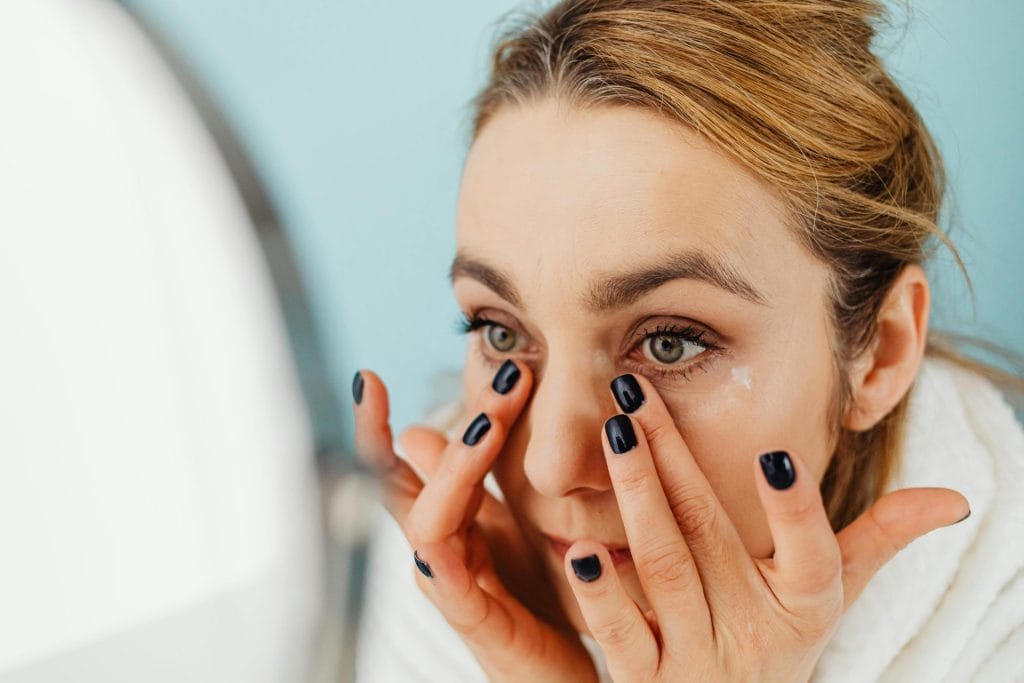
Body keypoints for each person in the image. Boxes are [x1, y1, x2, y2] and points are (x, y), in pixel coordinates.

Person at [352, 1, 1024, 680]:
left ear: (880, 351)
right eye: (500, 332)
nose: (551, 466)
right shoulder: (411, 594)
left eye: (670, 343)